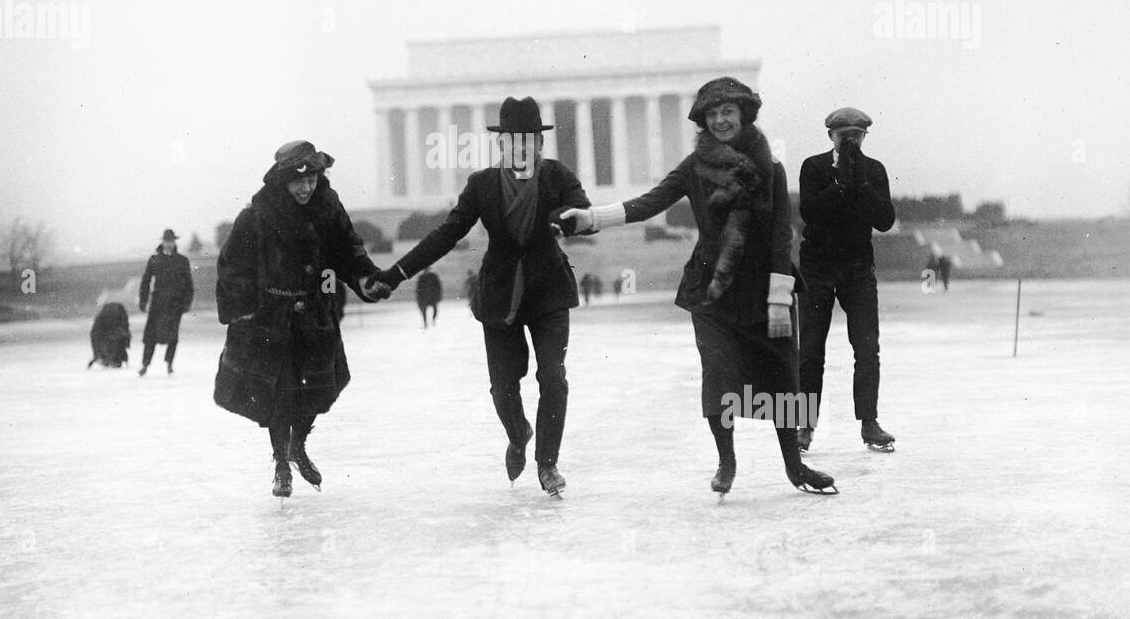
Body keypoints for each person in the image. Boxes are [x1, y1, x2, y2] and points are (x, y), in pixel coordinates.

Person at [559, 78, 835, 496]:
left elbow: (782, 234)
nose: (721, 120)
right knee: (719, 376)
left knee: (783, 378)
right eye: (712, 114)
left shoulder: (771, 168)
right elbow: (650, 202)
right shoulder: (693, 167)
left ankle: (795, 468)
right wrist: (592, 217)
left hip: (765, 290)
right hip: (712, 291)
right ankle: (726, 462)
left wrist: (780, 295)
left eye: (728, 111)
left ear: (744, 114)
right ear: (704, 122)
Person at [367, 96, 589, 497]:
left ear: (539, 145)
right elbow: (446, 235)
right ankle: (519, 433)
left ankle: (548, 463)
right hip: (500, 292)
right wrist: (396, 274)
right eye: (513, 140)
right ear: (502, 145)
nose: (521, 146)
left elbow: (580, 208)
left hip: (548, 290)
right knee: (503, 386)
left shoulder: (557, 176)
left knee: (553, 375)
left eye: (529, 140)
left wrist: (565, 221)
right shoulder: (482, 185)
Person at [215, 141, 383, 498]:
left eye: (312, 180)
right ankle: (280, 462)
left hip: (316, 312)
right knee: (279, 394)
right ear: (282, 182)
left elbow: (348, 247)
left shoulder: (328, 207)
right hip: (272, 318)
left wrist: (366, 277)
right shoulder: (256, 216)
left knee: (322, 388)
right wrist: (240, 307)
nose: (306, 188)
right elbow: (232, 264)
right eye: (297, 182)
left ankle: (298, 445)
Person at [797, 107, 897, 453]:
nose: (851, 141)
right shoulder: (813, 167)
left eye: (857, 136)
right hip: (817, 267)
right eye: (845, 136)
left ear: (864, 137)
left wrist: (862, 184)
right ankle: (804, 426)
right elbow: (809, 213)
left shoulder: (874, 170)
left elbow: (884, 221)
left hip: (857, 268)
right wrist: (839, 183)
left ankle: (869, 423)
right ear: (831, 137)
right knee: (810, 349)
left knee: (867, 348)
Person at [138, 229, 194, 375]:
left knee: (172, 336)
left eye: (171, 241)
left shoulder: (182, 261)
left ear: (174, 242)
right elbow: (145, 281)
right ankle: (145, 365)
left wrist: (187, 303)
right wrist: (143, 302)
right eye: (166, 241)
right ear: (162, 242)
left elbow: (189, 284)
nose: (168, 244)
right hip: (157, 304)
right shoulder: (154, 259)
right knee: (150, 335)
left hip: (175, 304)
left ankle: (169, 364)